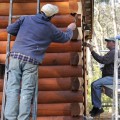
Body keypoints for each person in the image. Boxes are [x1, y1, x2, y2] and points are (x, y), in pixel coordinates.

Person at [4, 4, 76, 120]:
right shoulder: (50, 28)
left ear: (41, 10)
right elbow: (65, 38)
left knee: (12, 88)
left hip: (16, 57)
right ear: (52, 16)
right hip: (31, 61)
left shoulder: (25, 18)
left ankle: (10, 117)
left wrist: (25, 32)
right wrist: (70, 29)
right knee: (26, 91)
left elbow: (10, 29)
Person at [85, 37, 116, 117]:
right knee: (95, 84)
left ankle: (98, 107)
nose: (107, 43)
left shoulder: (113, 52)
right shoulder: (113, 52)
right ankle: (97, 107)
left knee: (95, 85)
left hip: (113, 78)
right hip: (111, 77)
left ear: (114, 43)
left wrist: (91, 50)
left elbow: (102, 60)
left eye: (108, 42)